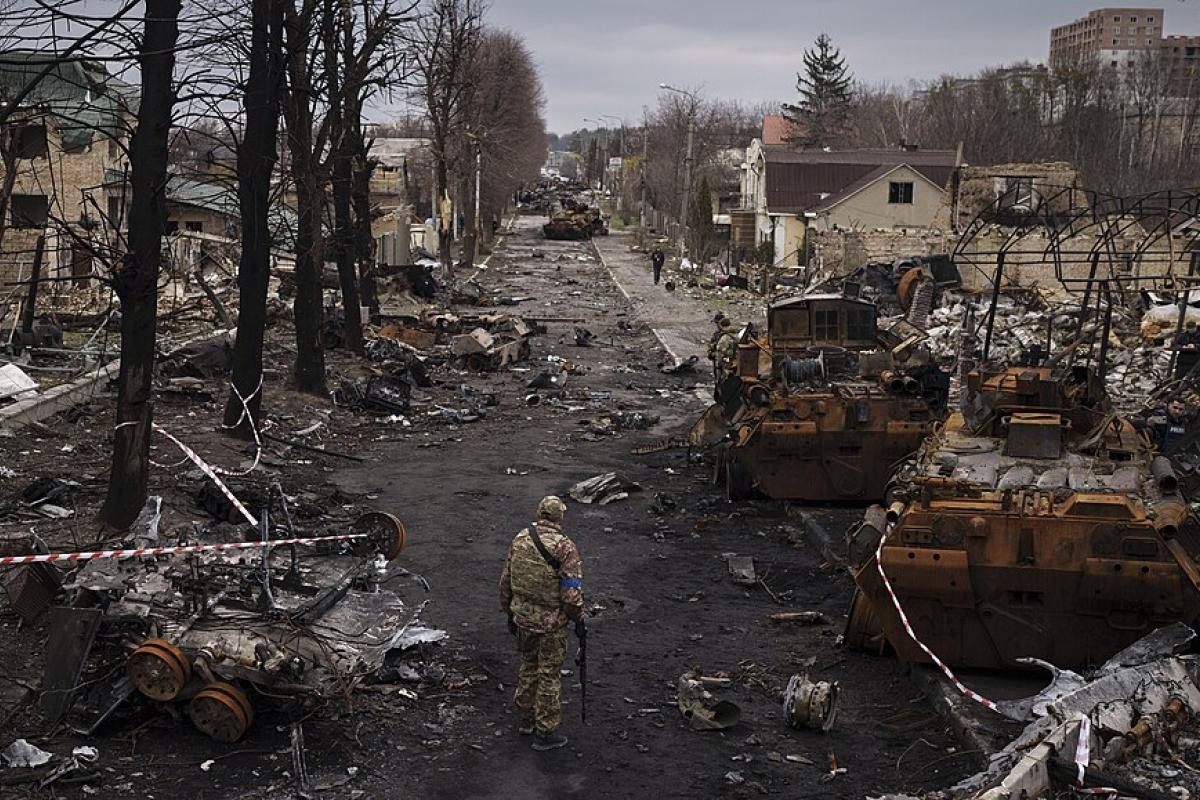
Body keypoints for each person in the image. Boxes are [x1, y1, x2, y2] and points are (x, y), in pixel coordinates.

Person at [499, 496, 585, 751]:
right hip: (551, 624)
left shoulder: (521, 538)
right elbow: (571, 594)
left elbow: (506, 580)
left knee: (528, 665)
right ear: (560, 517)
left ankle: (525, 718)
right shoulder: (566, 548)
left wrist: (509, 611)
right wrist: (577, 617)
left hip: (523, 618)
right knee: (549, 674)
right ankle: (545, 731)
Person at [708, 317, 739, 381]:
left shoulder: (725, 337)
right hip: (733, 363)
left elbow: (720, 352)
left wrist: (718, 364)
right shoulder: (736, 335)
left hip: (725, 364)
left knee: (723, 382)